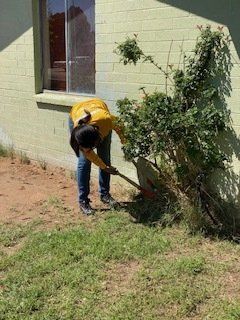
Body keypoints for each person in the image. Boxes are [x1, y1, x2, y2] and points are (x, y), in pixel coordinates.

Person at [69, 98, 125, 215]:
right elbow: (89, 153)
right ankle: (83, 200)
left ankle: (105, 195)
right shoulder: (79, 132)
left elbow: (120, 126)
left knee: (104, 157)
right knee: (84, 162)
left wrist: (126, 145)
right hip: (77, 113)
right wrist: (104, 167)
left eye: (91, 147)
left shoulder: (106, 120)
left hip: (98, 114)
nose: (91, 150)